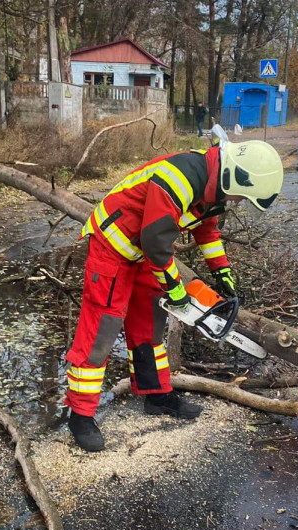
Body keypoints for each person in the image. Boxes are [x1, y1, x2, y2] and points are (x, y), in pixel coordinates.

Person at [64, 138, 285, 452]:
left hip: (142, 252)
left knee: (149, 327)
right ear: (236, 177)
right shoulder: (179, 179)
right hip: (113, 249)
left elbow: (206, 229)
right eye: (241, 196)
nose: (237, 202)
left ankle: (157, 396)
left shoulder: (211, 184)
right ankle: (81, 415)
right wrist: (176, 290)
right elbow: (156, 242)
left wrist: (222, 271)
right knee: (102, 332)